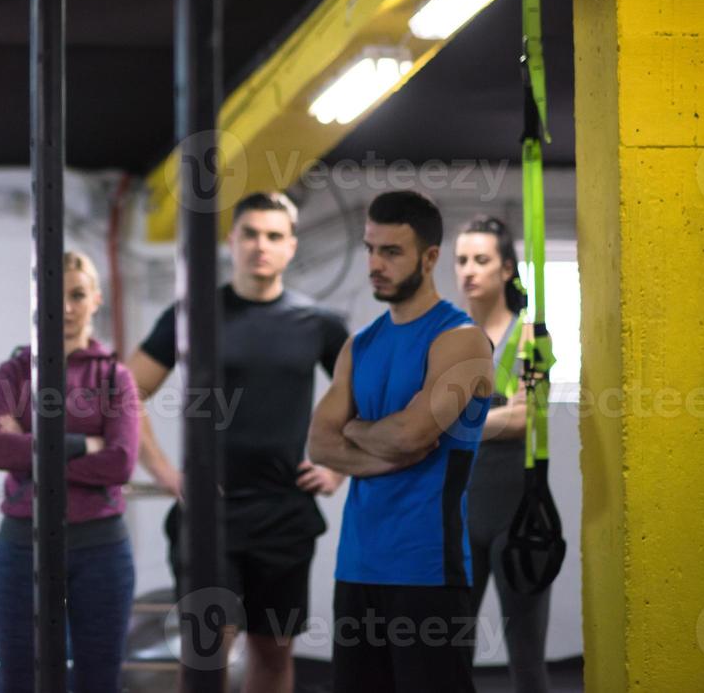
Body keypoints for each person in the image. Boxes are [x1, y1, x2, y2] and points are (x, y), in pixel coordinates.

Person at [129, 191, 348, 693]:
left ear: (291, 246)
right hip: (210, 514)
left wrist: (338, 467)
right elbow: (125, 392)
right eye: (249, 233)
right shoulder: (194, 314)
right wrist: (166, 474)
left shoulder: (319, 324)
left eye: (274, 236)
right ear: (231, 241)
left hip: (284, 515)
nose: (260, 245)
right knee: (207, 653)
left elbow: (366, 398)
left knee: (272, 653)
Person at [308, 190, 494, 693]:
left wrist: (355, 428)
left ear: (430, 257)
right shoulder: (360, 344)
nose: (375, 264)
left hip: (428, 569)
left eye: (391, 252)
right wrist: (380, 448)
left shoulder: (462, 340)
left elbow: (413, 434)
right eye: (370, 249)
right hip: (358, 567)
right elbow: (320, 444)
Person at [0, 251, 139, 693]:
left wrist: (29, 450)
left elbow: (121, 462)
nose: (66, 307)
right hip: (22, 545)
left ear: (96, 300)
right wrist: (82, 445)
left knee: (98, 680)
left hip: (101, 549)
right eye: (54, 295)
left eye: (77, 294)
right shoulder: (15, 371)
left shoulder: (115, 377)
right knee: (19, 680)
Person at [455, 215, 551, 692]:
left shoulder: (531, 336)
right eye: (461, 260)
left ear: (506, 268)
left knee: (527, 659)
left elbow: (526, 419)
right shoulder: (446, 339)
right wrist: (494, 419)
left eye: (482, 260)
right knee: (449, 656)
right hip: (457, 513)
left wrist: (457, 423)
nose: (469, 270)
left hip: (518, 516)